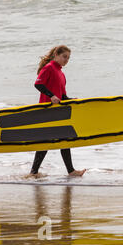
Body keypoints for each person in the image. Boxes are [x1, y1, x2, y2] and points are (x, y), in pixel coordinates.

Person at [28, 45, 86, 178]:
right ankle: (34, 172)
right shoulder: (49, 68)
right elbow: (38, 84)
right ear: (56, 55)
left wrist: (72, 100)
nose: (66, 60)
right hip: (47, 111)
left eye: (68, 58)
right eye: (64, 57)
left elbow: (62, 96)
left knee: (62, 139)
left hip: (57, 112)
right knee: (50, 140)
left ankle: (36, 173)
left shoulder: (61, 73)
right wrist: (51, 96)